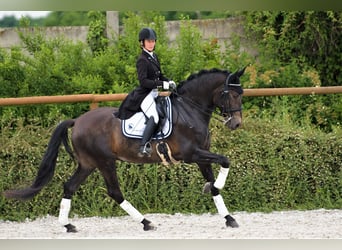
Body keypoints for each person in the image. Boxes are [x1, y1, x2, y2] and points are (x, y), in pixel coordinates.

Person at [116, 27, 176, 157]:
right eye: (148, 41)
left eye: (153, 41)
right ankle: (143, 146)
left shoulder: (154, 56)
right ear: (142, 43)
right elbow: (144, 82)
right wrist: (162, 84)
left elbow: (160, 75)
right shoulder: (142, 60)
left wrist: (169, 82)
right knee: (154, 116)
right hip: (145, 95)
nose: (151, 43)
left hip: (155, 92)